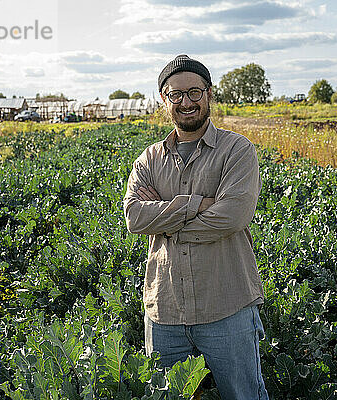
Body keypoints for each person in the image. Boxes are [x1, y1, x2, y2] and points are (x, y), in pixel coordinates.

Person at [123, 54, 269, 400]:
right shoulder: (149, 159)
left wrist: (164, 219)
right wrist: (198, 204)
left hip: (226, 308)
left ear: (209, 94)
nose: (186, 102)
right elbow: (134, 217)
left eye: (194, 92)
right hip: (165, 312)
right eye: (176, 95)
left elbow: (232, 216)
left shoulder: (237, 150)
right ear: (164, 100)